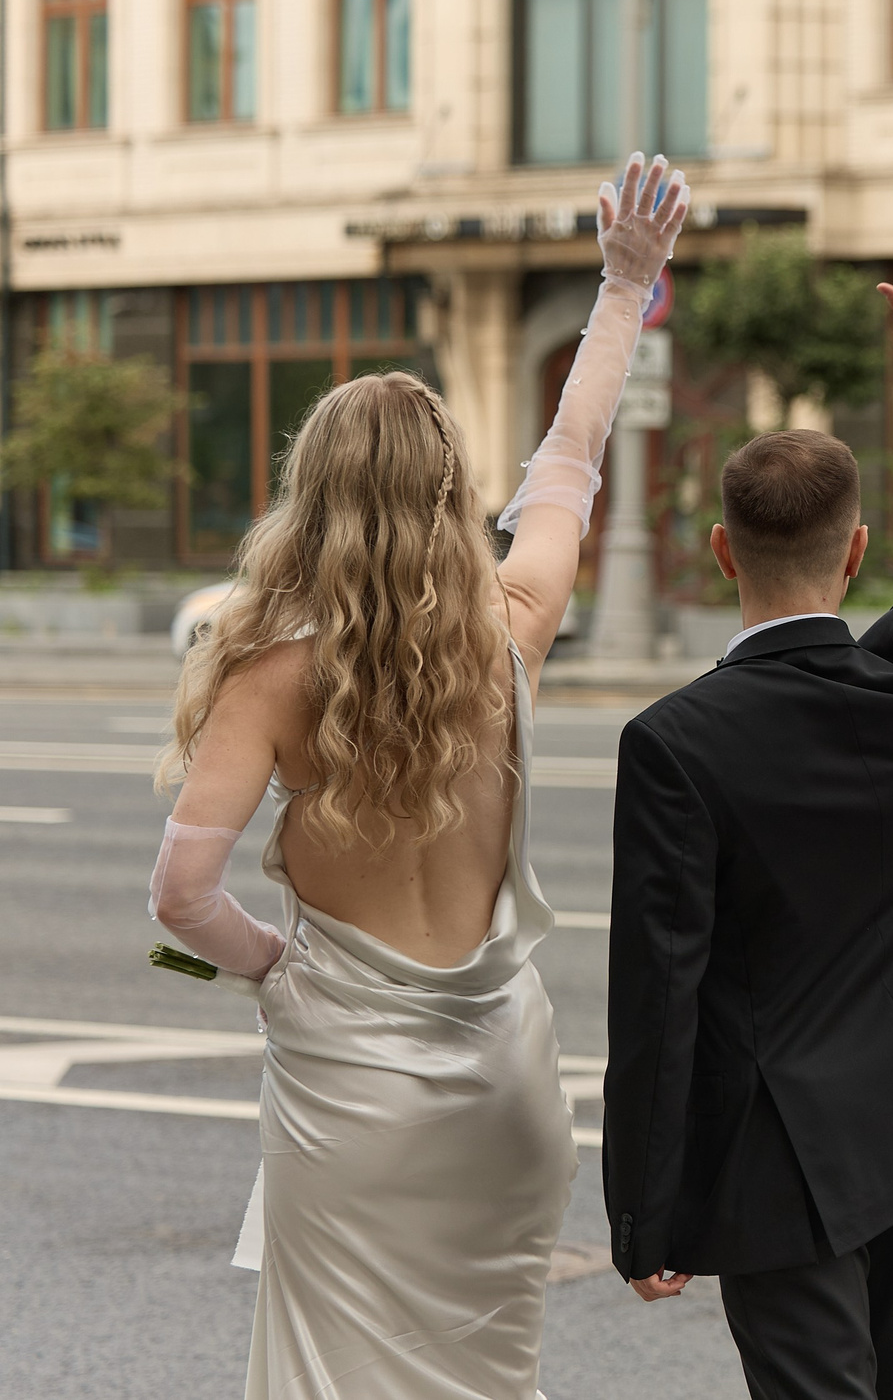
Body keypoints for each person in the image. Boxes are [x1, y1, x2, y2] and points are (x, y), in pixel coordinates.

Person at [148, 153, 691, 1399]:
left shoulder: (269, 678)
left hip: (353, 1090)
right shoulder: (511, 627)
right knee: (489, 1379)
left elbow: (180, 898)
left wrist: (277, 968)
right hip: (506, 1085)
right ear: (453, 492)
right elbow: (572, 459)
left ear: (313, 494)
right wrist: (623, 284)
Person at [606, 211, 893, 1400]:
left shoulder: (675, 744)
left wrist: (644, 1216)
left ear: (722, 552)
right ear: (856, 549)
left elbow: (659, 990)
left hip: (775, 1164)